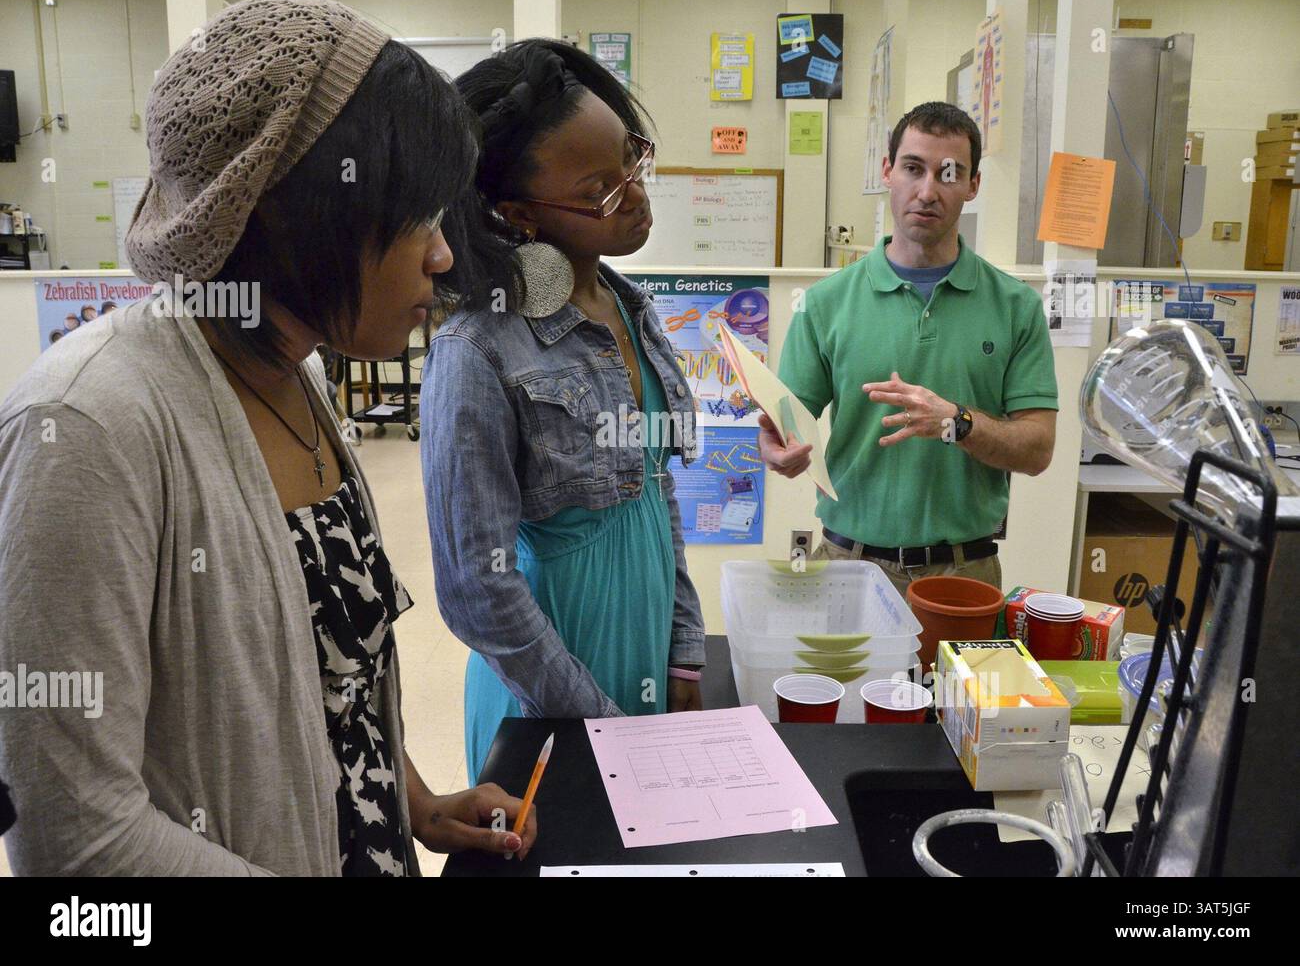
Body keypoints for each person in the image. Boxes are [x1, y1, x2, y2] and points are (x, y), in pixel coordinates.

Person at [0, 0, 535, 876]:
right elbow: (75, 840)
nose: (443, 256)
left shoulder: (301, 375)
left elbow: (328, 683)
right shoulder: (89, 428)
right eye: (417, 219)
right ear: (298, 213)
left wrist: (418, 804)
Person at [422, 40, 706, 783]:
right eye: (600, 189)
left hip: (640, 651)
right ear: (517, 213)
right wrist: (594, 722)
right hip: (546, 690)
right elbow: (475, 591)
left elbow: (653, 487)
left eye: (632, 162)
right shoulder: (476, 351)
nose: (636, 195)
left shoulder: (631, 309)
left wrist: (683, 641)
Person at [761, 102, 1058, 598]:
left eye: (949, 174)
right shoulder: (825, 304)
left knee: (949, 683)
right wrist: (775, 451)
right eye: (913, 168)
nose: (927, 191)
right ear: (887, 171)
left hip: (966, 573)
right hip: (846, 565)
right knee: (839, 680)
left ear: (973, 186)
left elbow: (1037, 450)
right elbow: (784, 427)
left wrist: (955, 422)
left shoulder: (1016, 308)